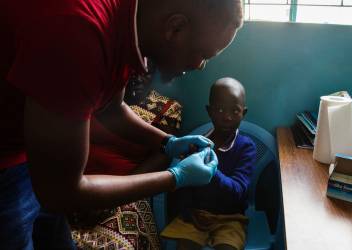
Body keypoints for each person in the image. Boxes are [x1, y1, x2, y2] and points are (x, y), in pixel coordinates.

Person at [0, 0, 243, 249]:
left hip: (28, 155)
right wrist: (175, 177)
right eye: (203, 55)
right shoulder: (80, 33)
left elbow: (112, 110)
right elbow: (62, 194)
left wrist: (167, 142)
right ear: (175, 27)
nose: (200, 67)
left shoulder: (129, 24)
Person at [161, 78, 257, 250]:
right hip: (196, 215)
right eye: (220, 109)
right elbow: (184, 186)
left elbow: (238, 191)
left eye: (235, 111)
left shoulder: (246, 147)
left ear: (244, 112)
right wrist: (187, 211)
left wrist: (211, 172)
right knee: (185, 245)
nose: (227, 117)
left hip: (231, 218)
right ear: (209, 111)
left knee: (228, 247)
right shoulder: (196, 145)